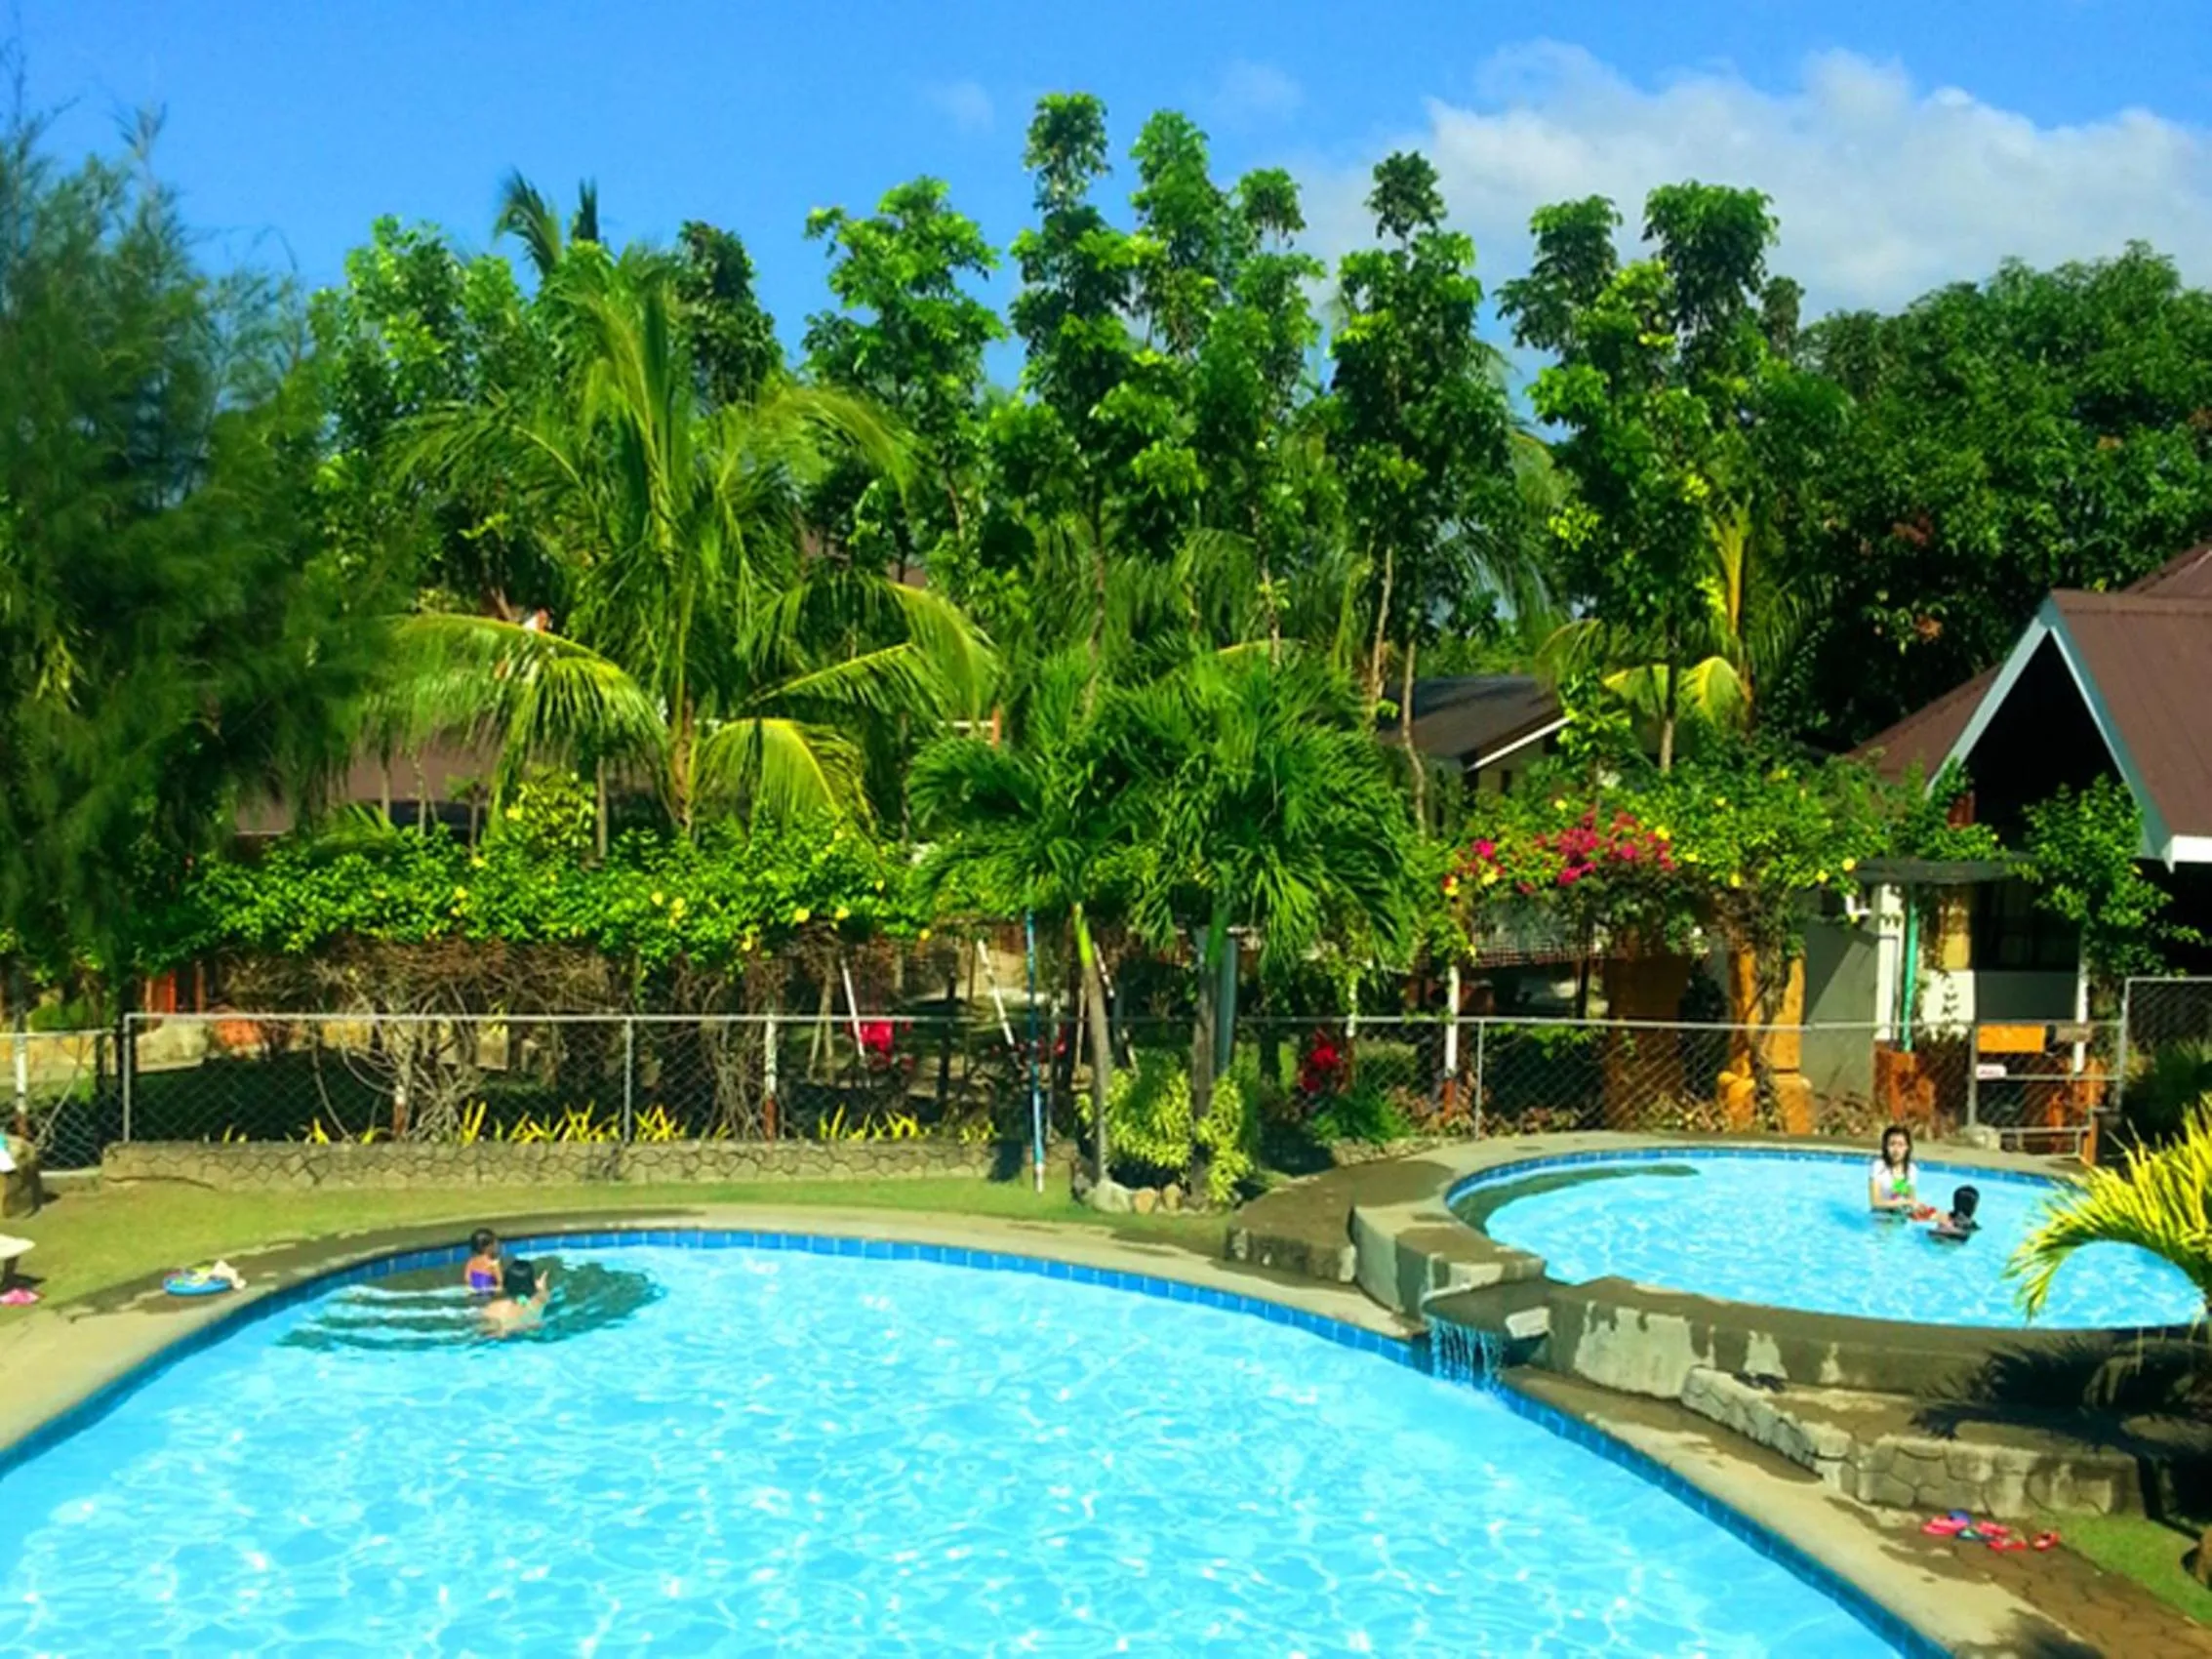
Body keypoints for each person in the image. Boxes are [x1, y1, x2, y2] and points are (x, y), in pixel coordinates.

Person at [480, 1257, 549, 1335]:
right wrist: (541, 1288)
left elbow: (486, 1333)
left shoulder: (492, 1309)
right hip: (535, 1332)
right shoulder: (539, 1301)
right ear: (532, 1284)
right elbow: (543, 1293)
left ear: (506, 1284)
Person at [1868, 1124, 1920, 1215]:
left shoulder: (1911, 1169)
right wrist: (1904, 1202)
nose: (1896, 1150)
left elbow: (1912, 1200)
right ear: (1886, 1147)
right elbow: (1875, 1202)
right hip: (1880, 1215)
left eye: (1900, 1145)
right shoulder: (1879, 1166)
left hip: (1899, 1216)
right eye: (1892, 1144)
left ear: (1907, 1147)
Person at [463, 1229, 503, 1294]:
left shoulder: (471, 1262)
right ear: (489, 1247)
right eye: (494, 1244)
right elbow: (500, 1286)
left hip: (473, 1294)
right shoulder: (493, 1264)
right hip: (489, 1296)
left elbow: (467, 1280)